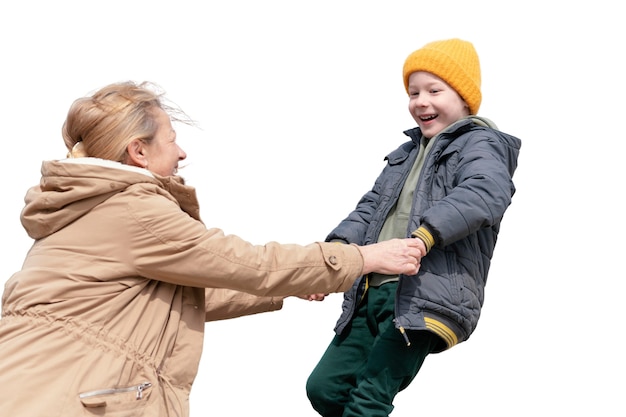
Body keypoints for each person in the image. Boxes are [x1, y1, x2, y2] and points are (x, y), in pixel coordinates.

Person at [0, 81, 424, 416]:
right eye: (171, 139)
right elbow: (242, 262)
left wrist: (288, 288)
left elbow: (180, 295)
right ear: (139, 151)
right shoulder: (132, 207)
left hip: (35, 386)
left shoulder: (88, 205)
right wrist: (362, 258)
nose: (182, 152)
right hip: (67, 396)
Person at [305, 38, 522, 417]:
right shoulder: (405, 154)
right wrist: (334, 258)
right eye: (413, 92)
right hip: (372, 289)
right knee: (325, 388)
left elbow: (484, 193)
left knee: (369, 398)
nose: (421, 101)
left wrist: (426, 235)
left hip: (425, 294)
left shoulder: (481, 144)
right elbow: (370, 208)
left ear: (465, 99)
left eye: (434, 90)